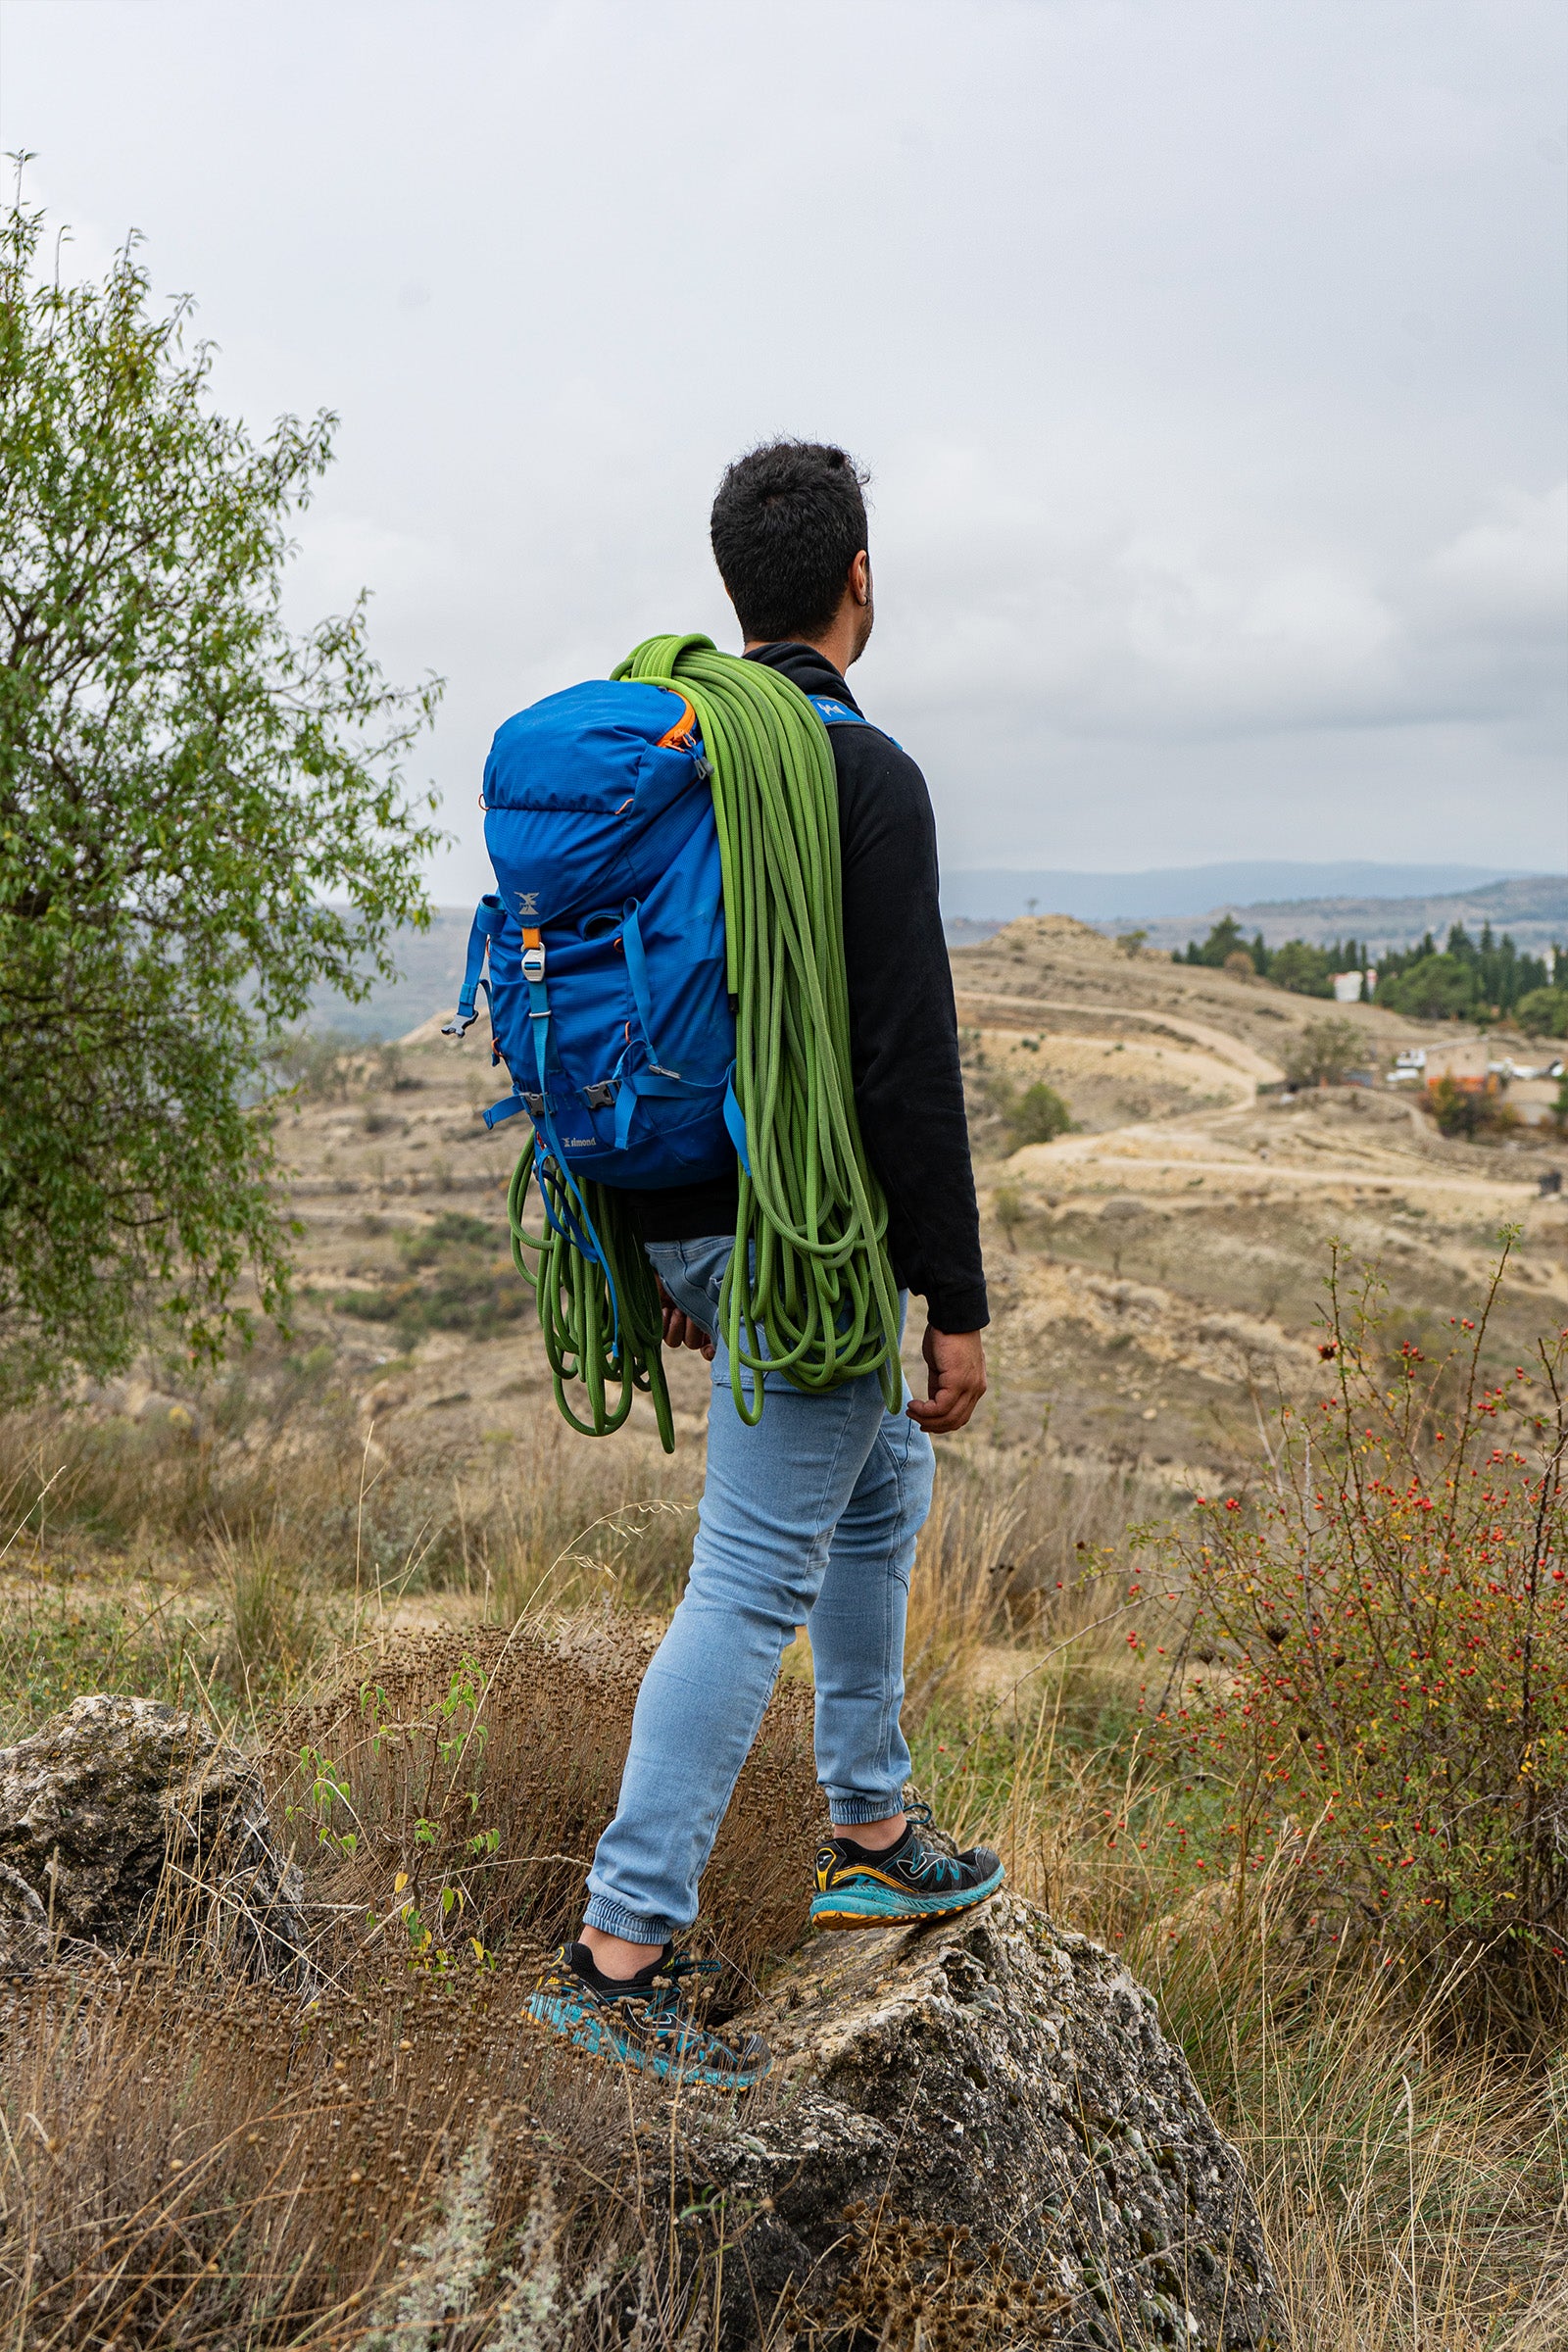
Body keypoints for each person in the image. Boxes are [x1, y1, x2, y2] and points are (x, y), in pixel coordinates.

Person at [527, 441, 998, 2086]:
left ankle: (866, 1820)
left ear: (745, 590)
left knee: (880, 1491)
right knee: (747, 1577)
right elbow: (901, 1060)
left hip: (687, 1210)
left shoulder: (690, 757)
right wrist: (960, 1297)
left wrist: (653, 1236)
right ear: (861, 581)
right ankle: (619, 1949)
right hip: (809, 1238)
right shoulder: (861, 775)